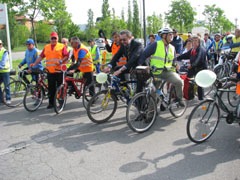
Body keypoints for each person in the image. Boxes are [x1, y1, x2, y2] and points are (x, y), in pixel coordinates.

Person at [138, 27, 184, 106]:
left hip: (168, 72)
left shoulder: (172, 48)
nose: (172, 36)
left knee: (179, 82)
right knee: (153, 94)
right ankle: (150, 114)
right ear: (163, 36)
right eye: (170, 34)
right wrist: (140, 65)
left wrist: (176, 65)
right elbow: (144, 54)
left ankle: (179, 99)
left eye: (172, 34)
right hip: (156, 72)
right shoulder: (156, 44)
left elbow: (173, 61)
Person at [31, 32, 69, 109]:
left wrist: (61, 61)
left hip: (59, 71)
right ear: (50, 39)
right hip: (50, 72)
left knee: (60, 88)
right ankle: (51, 103)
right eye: (52, 38)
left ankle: (61, 102)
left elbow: (66, 56)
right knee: (51, 89)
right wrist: (34, 63)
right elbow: (41, 57)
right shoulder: (46, 47)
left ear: (57, 39)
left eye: (55, 38)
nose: (54, 40)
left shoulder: (61, 46)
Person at [177, 35, 207, 100]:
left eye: (196, 40)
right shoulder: (192, 50)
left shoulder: (201, 49)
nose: (194, 42)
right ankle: (189, 95)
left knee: (199, 83)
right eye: (193, 40)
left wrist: (192, 65)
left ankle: (201, 98)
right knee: (188, 79)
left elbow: (198, 59)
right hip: (193, 67)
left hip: (201, 68)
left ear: (199, 42)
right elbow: (185, 55)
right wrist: (176, 58)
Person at [0, 40, 11, 104]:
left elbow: (3, 63)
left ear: (1, 45)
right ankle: (1, 99)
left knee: (6, 86)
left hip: (5, 70)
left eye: (0, 44)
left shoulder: (5, 52)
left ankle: (8, 98)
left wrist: (1, 66)